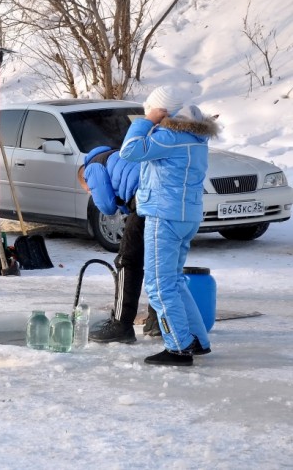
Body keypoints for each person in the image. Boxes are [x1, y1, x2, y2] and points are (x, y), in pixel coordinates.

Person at [120, 86, 218, 366]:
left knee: (159, 285)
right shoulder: (195, 136)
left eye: (150, 109)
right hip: (186, 215)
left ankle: (178, 346)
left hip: (164, 216)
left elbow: (129, 151)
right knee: (173, 280)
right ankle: (197, 339)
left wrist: (146, 121)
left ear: (161, 110)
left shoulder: (169, 136)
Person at [77, 145, 160, 343]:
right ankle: (157, 321)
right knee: (156, 261)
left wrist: (99, 195)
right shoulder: (118, 155)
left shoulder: (93, 167)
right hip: (165, 200)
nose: (89, 190)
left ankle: (121, 324)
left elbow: (106, 206)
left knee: (127, 260)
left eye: (87, 189)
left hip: (144, 201)